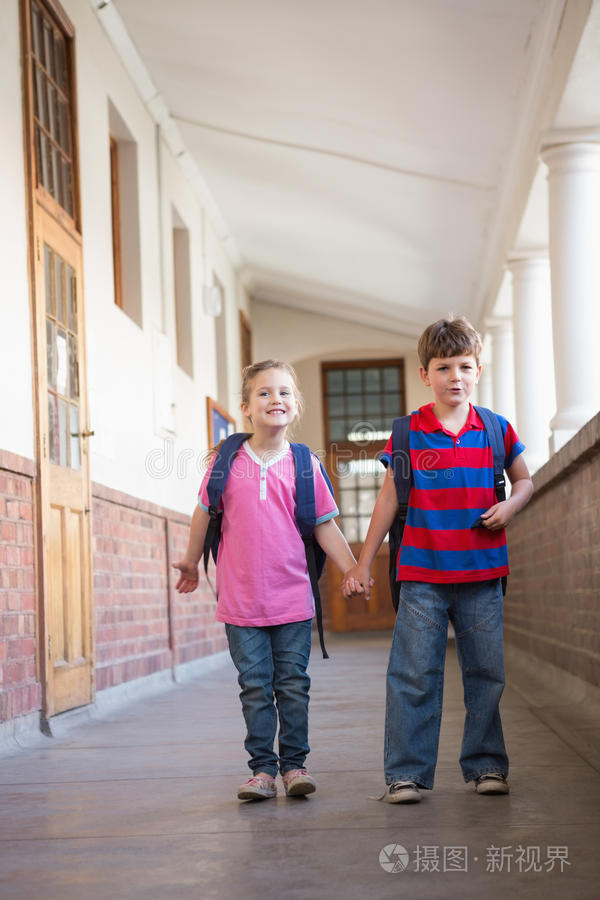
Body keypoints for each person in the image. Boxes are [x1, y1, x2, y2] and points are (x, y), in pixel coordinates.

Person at [342, 316, 533, 803]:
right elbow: (388, 499)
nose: (455, 376)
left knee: (485, 673)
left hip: (483, 573)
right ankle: (405, 774)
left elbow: (524, 480)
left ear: (478, 370)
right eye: (443, 367)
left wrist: (510, 506)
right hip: (421, 575)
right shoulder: (408, 433)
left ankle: (486, 765)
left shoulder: (496, 429)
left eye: (464, 366)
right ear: (425, 374)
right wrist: (362, 563)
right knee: (413, 675)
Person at [173, 360, 363, 802]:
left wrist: (353, 567)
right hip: (240, 602)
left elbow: (324, 523)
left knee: (292, 685)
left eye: (284, 392)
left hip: (292, 599)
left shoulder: (304, 464)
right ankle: (262, 771)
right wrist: (190, 562)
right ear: (246, 408)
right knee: (255, 687)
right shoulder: (226, 462)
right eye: (264, 393)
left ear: (295, 405)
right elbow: (204, 513)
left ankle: (294, 766)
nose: (275, 399)